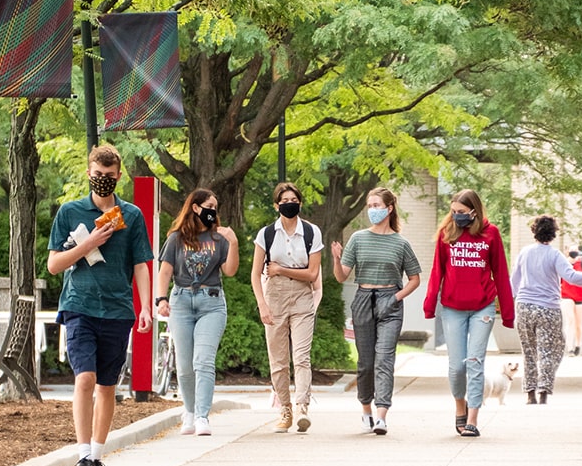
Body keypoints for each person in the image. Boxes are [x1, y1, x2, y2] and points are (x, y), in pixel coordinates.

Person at [47, 144, 154, 466]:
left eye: (109, 176)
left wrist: (146, 307)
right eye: (97, 175)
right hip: (79, 306)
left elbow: (141, 264)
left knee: (107, 385)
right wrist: (88, 243)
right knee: (84, 378)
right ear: (88, 174)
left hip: (118, 309)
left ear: (118, 176)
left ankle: (96, 456)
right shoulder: (69, 211)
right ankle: (81, 457)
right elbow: (53, 265)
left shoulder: (132, 215)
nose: (103, 181)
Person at [422, 189, 514, 438]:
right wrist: (430, 305)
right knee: (456, 367)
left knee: (475, 362)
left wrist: (508, 313)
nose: (456, 216)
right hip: (452, 308)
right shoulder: (447, 234)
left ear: (474, 211)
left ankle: (473, 418)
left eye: (461, 213)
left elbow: (501, 274)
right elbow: (436, 272)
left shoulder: (491, 233)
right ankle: (459, 406)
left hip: (482, 306)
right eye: (453, 212)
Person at [331, 187, 421, 436]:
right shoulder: (358, 238)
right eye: (369, 206)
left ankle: (382, 415)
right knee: (366, 362)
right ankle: (366, 411)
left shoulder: (401, 243)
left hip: (389, 300)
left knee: (384, 358)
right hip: (363, 299)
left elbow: (415, 279)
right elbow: (341, 276)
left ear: (389, 208)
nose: (372, 210)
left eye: (376, 205)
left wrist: (395, 297)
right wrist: (336, 259)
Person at [155, 189, 239, 436]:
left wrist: (233, 242)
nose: (213, 210)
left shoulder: (219, 238)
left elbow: (231, 270)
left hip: (211, 302)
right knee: (184, 365)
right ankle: (189, 412)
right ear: (195, 207)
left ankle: (203, 416)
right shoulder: (176, 239)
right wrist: (161, 299)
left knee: (203, 360)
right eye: (209, 205)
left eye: (216, 206)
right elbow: (165, 272)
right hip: (181, 301)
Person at [250, 182, 324, 433]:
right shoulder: (266, 234)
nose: (289, 204)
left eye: (293, 199)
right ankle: (285, 408)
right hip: (275, 295)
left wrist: (280, 268)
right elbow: (255, 273)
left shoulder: (312, 233)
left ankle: (302, 406)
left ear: (300, 203)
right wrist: (262, 304)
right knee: (278, 360)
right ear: (276, 205)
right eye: (284, 200)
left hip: (302, 296)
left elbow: (313, 274)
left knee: (302, 357)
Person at [510, 215, 582, 404]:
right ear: (553, 234)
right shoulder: (555, 255)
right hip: (548, 309)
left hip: (524, 307)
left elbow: (514, 283)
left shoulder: (524, 252)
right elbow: (573, 277)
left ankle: (530, 394)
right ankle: (543, 391)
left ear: (534, 231)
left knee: (529, 351)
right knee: (551, 349)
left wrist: (506, 306)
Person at [560, 248, 582, 357]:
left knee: (578, 324)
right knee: (570, 321)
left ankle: (578, 344)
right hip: (566, 295)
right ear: (567, 252)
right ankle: (569, 348)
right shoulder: (563, 264)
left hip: (580, 296)